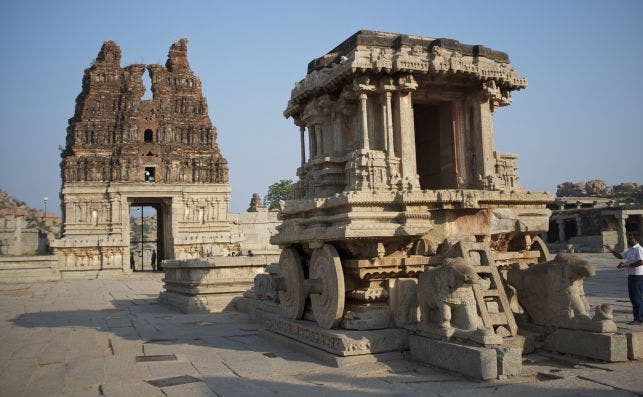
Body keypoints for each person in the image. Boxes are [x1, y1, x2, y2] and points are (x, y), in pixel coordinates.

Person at [605, 233, 643, 325]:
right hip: (631, 276)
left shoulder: (638, 249)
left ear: (636, 239)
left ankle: (638, 319)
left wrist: (627, 265)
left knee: (636, 298)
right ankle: (639, 318)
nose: (629, 240)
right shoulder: (630, 250)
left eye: (630, 238)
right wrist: (611, 250)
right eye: (628, 238)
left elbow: (641, 262)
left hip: (637, 276)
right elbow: (620, 256)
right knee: (635, 298)